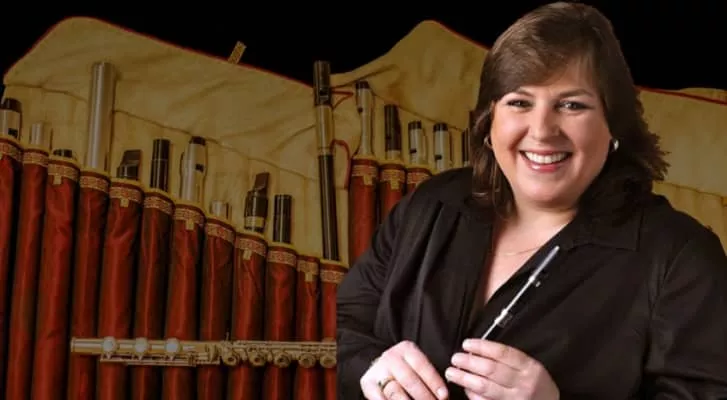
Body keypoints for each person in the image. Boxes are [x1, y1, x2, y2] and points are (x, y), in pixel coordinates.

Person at [336, 2, 727, 399]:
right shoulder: (430, 204)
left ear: (614, 125)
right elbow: (349, 324)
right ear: (490, 120)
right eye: (520, 102)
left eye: (572, 105)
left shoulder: (681, 258)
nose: (541, 131)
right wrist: (371, 366)